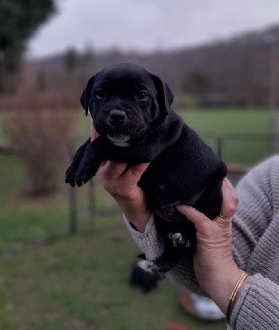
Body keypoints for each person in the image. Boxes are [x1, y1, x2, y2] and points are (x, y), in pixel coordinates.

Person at [91, 122, 279, 330]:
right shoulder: (273, 175)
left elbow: (227, 277)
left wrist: (234, 285)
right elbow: (213, 269)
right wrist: (139, 209)